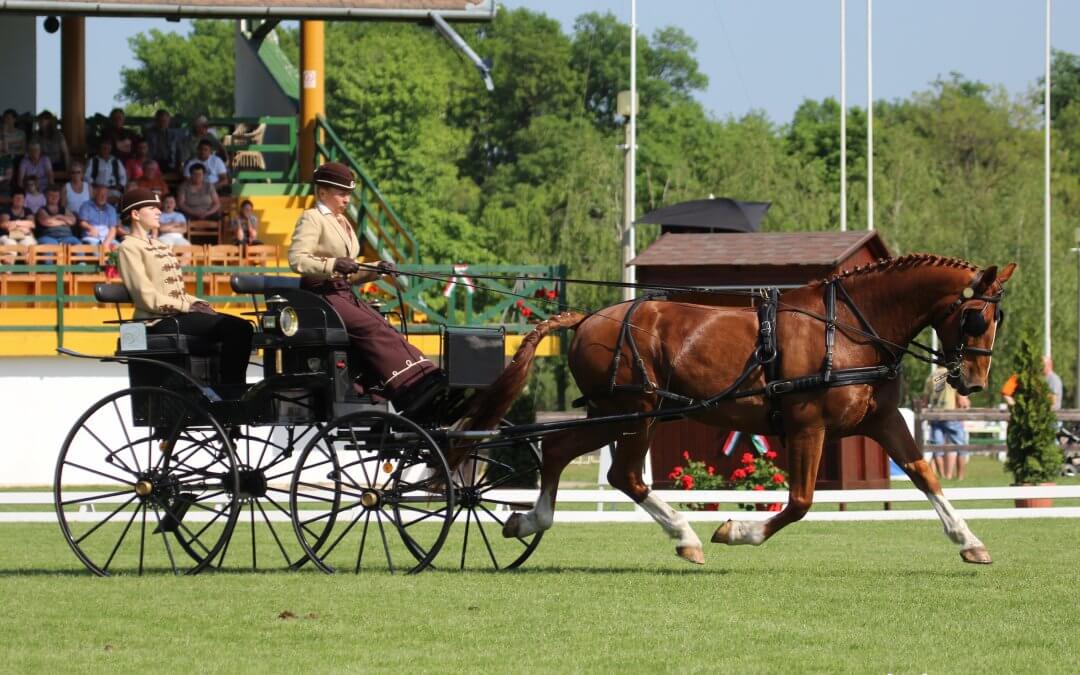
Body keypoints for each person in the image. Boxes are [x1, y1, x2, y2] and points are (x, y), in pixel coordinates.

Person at [288, 161, 444, 411]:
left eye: (349, 194)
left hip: (341, 292)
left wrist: (375, 270)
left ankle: (409, 384)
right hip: (320, 295)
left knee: (385, 325)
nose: (347, 199)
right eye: (341, 193)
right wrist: (334, 263)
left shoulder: (343, 221)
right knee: (373, 327)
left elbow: (349, 272)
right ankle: (413, 384)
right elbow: (297, 259)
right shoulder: (312, 218)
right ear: (322, 192)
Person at [115, 188, 253, 386]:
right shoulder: (128, 247)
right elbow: (146, 297)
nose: (158, 211)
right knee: (237, 329)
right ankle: (231, 391)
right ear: (135, 214)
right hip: (155, 321)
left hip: (176, 317)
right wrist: (187, 307)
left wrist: (198, 303)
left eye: (158, 207)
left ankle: (222, 389)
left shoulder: (160, 245)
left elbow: (178, 292)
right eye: (152, 208)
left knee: (241, 326)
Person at [924, 365, 971, 481]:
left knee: (937, 448)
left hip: (934, 415)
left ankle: (944, 477)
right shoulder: (954, 374)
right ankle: (960, 477)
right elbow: (962, 400)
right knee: (961, 446)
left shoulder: (932, 375)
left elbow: (924, 399)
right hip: (950, 414)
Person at [77, 183, 119, 248]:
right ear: (95, 194)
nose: (103, 197)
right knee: (96, 250)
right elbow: (82, 222)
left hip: (107, 238)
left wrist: (106, 242)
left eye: (105, 195)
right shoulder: (86, 206)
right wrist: (90, 227)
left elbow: (113, 229)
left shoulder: (111, 209)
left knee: (118, 248)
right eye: (100, 194)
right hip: (91, 237)